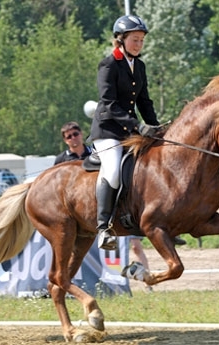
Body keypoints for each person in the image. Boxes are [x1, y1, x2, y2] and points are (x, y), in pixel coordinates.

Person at [90, 15, 162, 250]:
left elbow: (144, 101)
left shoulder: (139, 66)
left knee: (152, 166)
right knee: (112, 171)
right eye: (135, 40)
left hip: (128, 131)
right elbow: (109, 103)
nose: (139, 44)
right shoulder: (109, 64)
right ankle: (103, 227)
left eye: (141, 40)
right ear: (120, 40)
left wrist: (155, 126)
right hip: (107, 130)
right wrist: (136, 125)